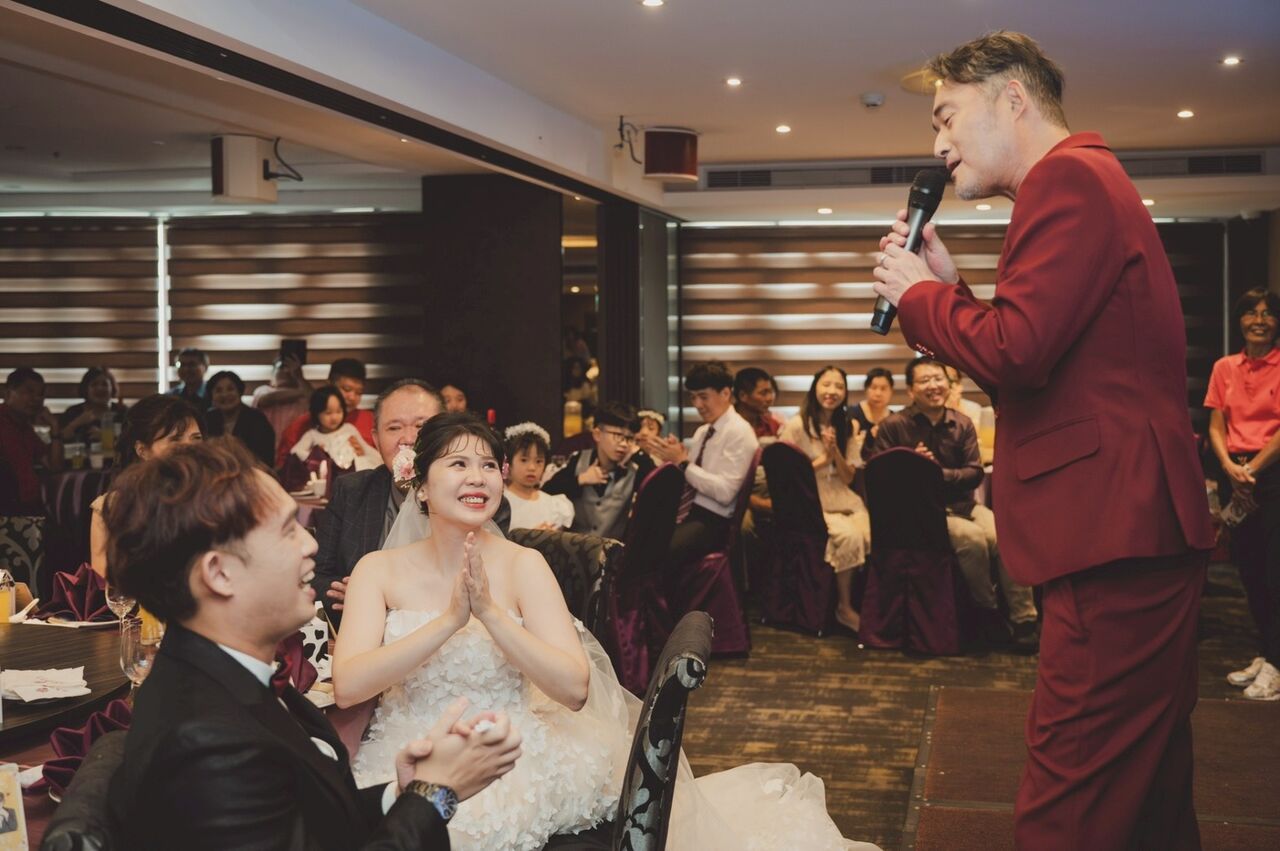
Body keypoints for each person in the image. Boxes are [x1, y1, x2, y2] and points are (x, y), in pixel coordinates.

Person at [872, 31, 1214, 849]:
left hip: (1111, 534)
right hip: (1134, 528)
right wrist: (953, 292)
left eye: (947, 117)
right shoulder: (1087, 180)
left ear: (1013, 98)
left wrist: (920, 298)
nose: (938, 144)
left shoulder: (1066, 179)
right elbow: (1040, 375)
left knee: (1071, 801)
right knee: (1148, 798)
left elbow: (1018, 351)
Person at [336, 413, 874, 851]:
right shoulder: (377, 571)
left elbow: (574, 689)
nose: (478, 478)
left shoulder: (524, 566)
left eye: (489, 465)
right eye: (458, 463)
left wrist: (492, 616)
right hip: (406, 750)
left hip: (509, 751)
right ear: (420, 484)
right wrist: (451, 621)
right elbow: (348, 686)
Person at [105, 437, 522, 851]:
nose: (311, 546)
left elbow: (310, 824)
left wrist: (402, 793)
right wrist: (436, 794)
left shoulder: (224, 678)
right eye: (289, 531)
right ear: (219, 573)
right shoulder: (208, 746)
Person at [312, 379, 509, 627]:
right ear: (375, 439)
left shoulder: (479, 500)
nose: (407, 439)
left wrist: (386, 594)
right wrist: (359, 595)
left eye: (421, 426)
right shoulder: (351, 491)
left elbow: (494, 587)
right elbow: (316, 577)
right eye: (394, 428)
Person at [872, 358, 1038, 644]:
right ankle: (987, 612)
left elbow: (974, 473)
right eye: (924, 380)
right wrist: (913, 466)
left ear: (949, 385)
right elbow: (881, 478)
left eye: (939, 379)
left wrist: (935, 472)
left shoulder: (962, 424)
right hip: (922, 512)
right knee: (973, 540)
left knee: (1006, 535)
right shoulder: (894, 426)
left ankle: (1025, 619)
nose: (933, 385)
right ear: (910, 390)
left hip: (964, 504)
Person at [1206, 287, 1280, 701]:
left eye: (1268, 313)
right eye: (1251, 312)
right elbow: (1217, 423)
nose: (1259, 320)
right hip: (1236, 474)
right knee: (1249, 570)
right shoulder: (1224, 367)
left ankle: (1277, 664)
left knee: (1275, 570)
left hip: (1272, 474)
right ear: (1240, 320)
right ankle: (1267, 652)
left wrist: (1252, 468)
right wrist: (1229, 466)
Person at [779, 365, 870, 632]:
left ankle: (864, 604)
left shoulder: (848, 426)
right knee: (850, 537)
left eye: (839, 386)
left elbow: (849, 477)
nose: (832, 391)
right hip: (811, 500)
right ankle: (844, 608)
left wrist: (835, 453)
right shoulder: (797, 426)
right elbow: (789, 476)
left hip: (843, 497)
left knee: (870, 533)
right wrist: (823, 459)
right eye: (826, 384)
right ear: (815, 388)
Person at [646, 361, 758, 567]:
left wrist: (682, 462)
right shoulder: (703, 431)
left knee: (658, 553)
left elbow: (725, 493)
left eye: (703, 397)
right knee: (641, 538)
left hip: (715, 521)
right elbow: (691, 473)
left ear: (725, 393)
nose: (697, 404)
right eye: (693, 397)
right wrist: (675, 455)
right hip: (690, 512)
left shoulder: (739, 432)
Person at [88, 394, 204, 576]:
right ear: (142, 450)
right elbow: (104, 581)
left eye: (196, 439)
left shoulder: (216, 498)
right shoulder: (112, 508)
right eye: (175, 440)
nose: (189, 448)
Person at [543, 400, 654, 541]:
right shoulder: (578, 459)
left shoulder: (635, 469)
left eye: (629, 438)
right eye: (618, 435)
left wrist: (639, 453)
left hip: (612, 551)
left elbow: (659, 489)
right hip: (575, 548)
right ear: (597, 434)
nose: (624, 444)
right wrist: (581, 479)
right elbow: (547, 492)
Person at [276, 358, 375, 466]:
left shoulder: (372, 421)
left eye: (359, 392)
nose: (352, 397)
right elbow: (283, 466)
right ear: (330, 385)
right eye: (346, 389)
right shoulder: (300, 427)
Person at [0, 368, 59, 515]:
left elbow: (54, 466)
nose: (36, 399)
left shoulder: (25, 428)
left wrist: (55, 427)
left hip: (29, 508)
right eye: (29, 392)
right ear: (7, 394)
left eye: (40, 394)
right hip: (10, 511)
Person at [288, 386, 380, 474]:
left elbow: (366, 448)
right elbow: (295, 451)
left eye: (338, 411)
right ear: (316, 413)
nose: (334, 417)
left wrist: (380, 459)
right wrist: (315, 457)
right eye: (328, 413)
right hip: (330, 475)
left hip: (355, 469)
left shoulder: (349, 428)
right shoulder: (313, 435)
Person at [503, 422, 575, 531]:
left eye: (538, 461)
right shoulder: (500, 503)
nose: (532, 467)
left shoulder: (553, 504)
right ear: (509, 463)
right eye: (524, 460)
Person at [203, 370, 275, 467]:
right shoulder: (208, 419)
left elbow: (264, 458)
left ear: (240, 391)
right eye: (218, 390)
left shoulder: (257, 419)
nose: (225, 395)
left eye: (230, 389)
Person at [57, 366, 128, 445]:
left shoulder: (122, 412)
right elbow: (60, 439)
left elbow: (132, 442)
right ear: (86, 389)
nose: (100, 388)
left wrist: (105, 437)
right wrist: (77, 423)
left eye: (105, 384)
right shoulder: (73, 412)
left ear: (112, 388)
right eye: (94, 384)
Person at [251, 354, 312, 441]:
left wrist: (299, 377)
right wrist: (302, 392)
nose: (286, 371)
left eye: (290, 368)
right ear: (273, 373)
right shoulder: (263, 390)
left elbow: (315, 401)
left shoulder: (304, 396)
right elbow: (266, 399)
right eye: (282, 367)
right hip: (268, 446)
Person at [850, 367, 894, 449]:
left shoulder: (894, 419)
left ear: (891, 391)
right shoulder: (853, 413)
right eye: (873, 388)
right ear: (866, 389)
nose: (878, 393)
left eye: (883, 389)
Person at [733, 366, 783, 440]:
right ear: (742, 396)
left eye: (771, 392)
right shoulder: (727, 425)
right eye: (763, 393)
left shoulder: (772, 425)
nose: (769, 398)